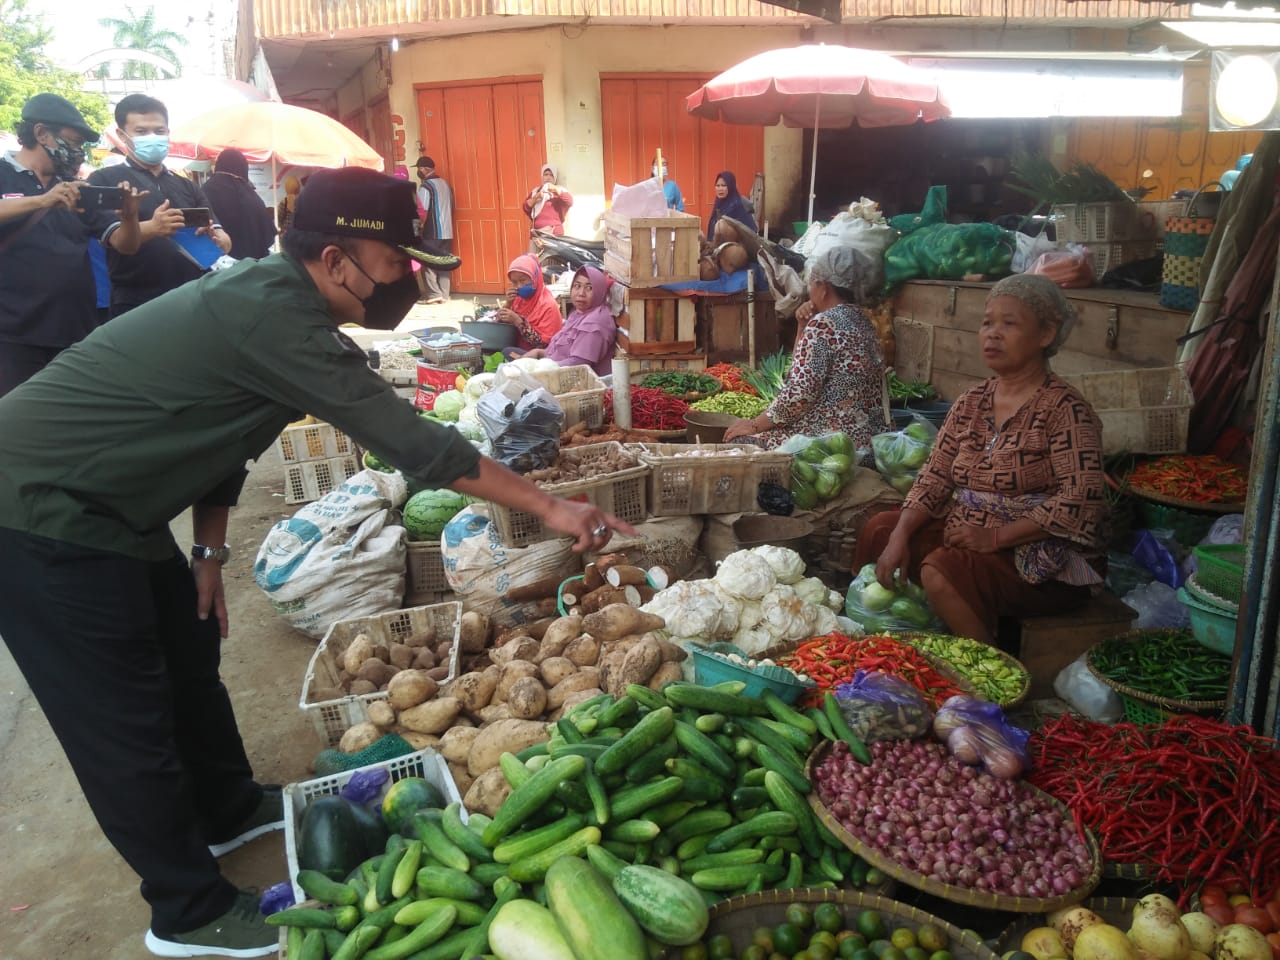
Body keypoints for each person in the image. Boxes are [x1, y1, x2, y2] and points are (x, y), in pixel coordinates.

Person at [0, 167, 632, 959]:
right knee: (121, 717)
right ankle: (185, 913)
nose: (408, 280)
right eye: (396, 263)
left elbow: (224, 432)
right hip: (36, 509)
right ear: (336, 261)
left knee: (186, 654)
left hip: (108, 506)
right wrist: (551, 507)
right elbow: (416, 444)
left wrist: (208, 549)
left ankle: (228, 807)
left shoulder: (278, 303)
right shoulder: (270, 316)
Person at [856, 274, 1108, 646]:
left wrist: (996, 536)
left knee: (942, 570)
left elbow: (1081, 499)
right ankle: (888, 638)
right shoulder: (971, 401)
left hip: (1040, 559)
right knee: (880, 529)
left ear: (1046, 334)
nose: (992, 334)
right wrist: (900, 534)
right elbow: (935, 475)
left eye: (1009, 324)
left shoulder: (1065, 410)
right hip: (968, 532)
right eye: (987, 322)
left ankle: (988, 666)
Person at [0, 93, 143, 396]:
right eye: (73, 141)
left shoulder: (79, 190)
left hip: (75, 333)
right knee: (18, 428)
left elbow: (125, 245)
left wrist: (130, 217)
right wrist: (42, 200)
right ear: (41, 133)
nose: (78, 152)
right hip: (12, 336)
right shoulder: (4, 175)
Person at [723, 245, 890, 452]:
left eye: (810, 281)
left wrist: (754, 424)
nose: (808, 289)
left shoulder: (824, 325)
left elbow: (799, 394)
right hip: (868, 443)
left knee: (738, 443)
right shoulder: (864, 323)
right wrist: (802, 327)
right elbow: (800, 374)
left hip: (832, 444)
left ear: (824, 287)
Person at [87, 93, 232, 316]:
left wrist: (216, 239)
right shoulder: (104, 181)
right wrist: (153, 227)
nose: (152, 137)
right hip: (136, 304)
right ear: (122, 136)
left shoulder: (186, 185)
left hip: (192, 298)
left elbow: (224, 242)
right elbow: (119, 242)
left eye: (159, 131)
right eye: (142, 132)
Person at [522, 264, 616, 375]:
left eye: (589, 288)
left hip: (575, 380)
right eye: (577, 286)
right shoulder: (578, 313)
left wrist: (539, 370)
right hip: (555, 368)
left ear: (599, 291)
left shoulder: (596, 321)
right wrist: (539, 353)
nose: (581, 293)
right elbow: (558, 352)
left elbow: (579, 364)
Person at [201, 148, 275, 260]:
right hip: (254, 267)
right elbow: (268, 237)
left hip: (219, 269)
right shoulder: (253, 197)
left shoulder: (205, 191)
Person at [494, 253, 563, 352]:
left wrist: (518, 321)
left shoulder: (548, 305)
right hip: (517, 350)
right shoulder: (518, 299)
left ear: (535, 278)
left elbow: (544, 345)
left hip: (540, 357)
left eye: (522, 280)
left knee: (506, 352)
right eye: (514, 282)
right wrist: (507, 305)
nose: (518, 286)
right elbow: (499, 326)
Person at [415, 155, 455, 303]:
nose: (419, 171)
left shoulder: (426, 187)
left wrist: (418, 229)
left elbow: (422, 211)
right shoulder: (445, 184)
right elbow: (451, 205)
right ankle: (445, 294)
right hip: (447, 230)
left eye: (419, 168)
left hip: (432, 231)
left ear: (424, 169)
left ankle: (433, 294)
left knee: (428, 262)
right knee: (444, 262)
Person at [523, 163, 572, 237]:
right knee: (532, 249)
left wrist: (556, 190)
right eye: (546, 174)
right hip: (536, 233)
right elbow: (526, 207)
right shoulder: (536, 191)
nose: (548, 177)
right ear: (542, 176)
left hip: (554, 232)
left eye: (551, 175)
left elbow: (569, 201)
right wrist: (536, 197)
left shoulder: (560, 190)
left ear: (555, 177)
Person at [706, 169, 756, 241]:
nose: (720, 189)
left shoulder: (737, 205)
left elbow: (748, 232)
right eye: (717, 185)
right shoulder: (719, 204)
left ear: (730, 186)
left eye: (724, 185)